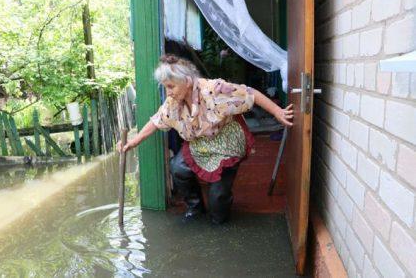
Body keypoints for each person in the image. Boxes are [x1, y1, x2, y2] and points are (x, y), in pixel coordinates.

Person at [117, 54, 293, 224]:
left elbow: (250, 93)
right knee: (178, 168)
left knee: (217, 201)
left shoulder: (213, 91)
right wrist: (132, 142)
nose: (168, 92)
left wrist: (278, 112)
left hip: (226, 141)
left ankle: (220, 215)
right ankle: (195, 208)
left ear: (186, 81)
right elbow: (157, 120)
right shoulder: (173, 102)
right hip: (201, 143)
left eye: (171, 87)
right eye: (165, 87)